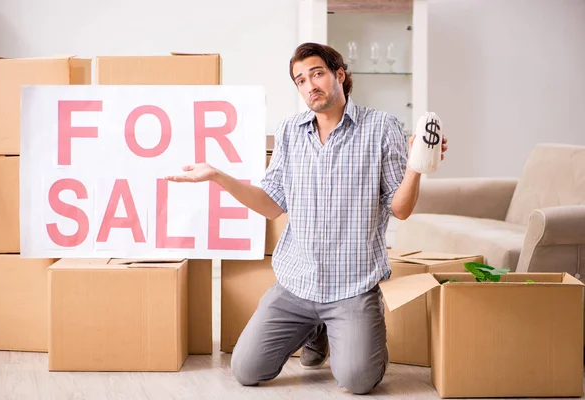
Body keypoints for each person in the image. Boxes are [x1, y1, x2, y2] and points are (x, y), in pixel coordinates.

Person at [165, 42, 447, 395]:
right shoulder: (289, 132)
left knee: (359, 382)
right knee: (246, 370)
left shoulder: (382, 127)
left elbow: (400, 208)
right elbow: (270, 205)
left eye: (317, 73)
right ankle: (315, 329)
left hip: (353, 288)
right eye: (300, 80)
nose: (309, 85)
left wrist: (415, 167)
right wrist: (219, 176)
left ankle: (350, 337)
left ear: (339, 75)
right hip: (296, 285)